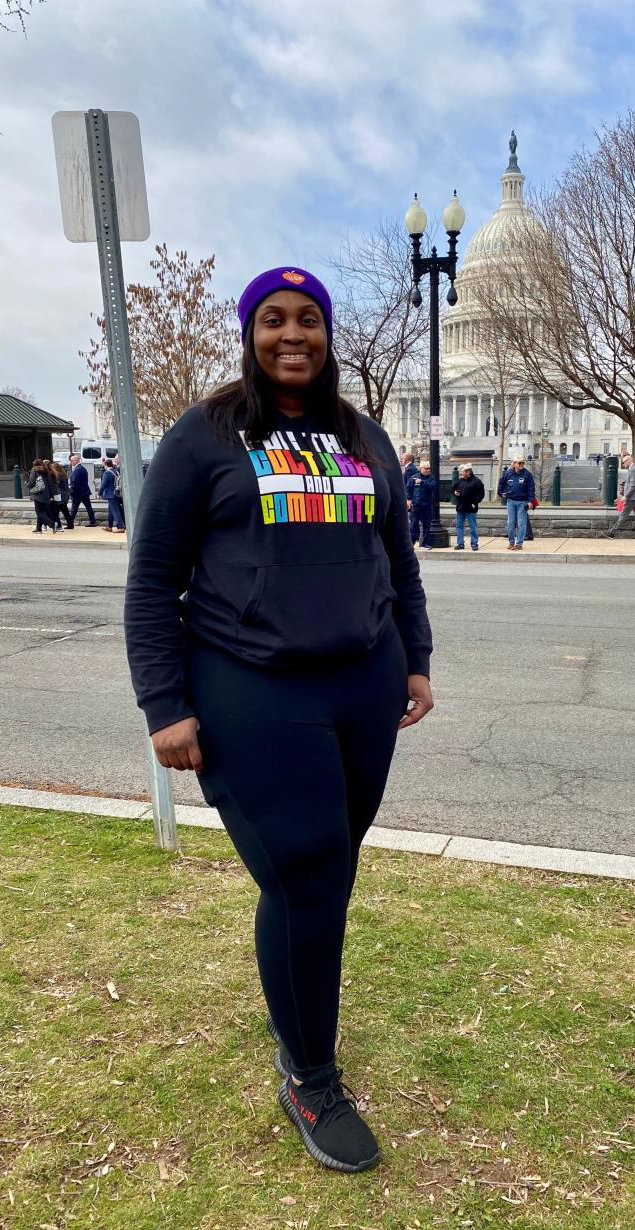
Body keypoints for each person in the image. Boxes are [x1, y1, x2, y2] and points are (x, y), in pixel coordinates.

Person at [124, 265, 434, 1175]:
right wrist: (165, 706)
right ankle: (309, 1075)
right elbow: (151, 583)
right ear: (249, 333)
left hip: (362, 687)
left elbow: (397, 558)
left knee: (327, 874)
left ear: (328, 335)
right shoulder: (206, 437)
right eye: (272, 320)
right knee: (305, 874)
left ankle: (292, 1003)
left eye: (308, 319)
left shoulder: (361, 434)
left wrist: (415, 658)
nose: (291, 335)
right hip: (250, 687)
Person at [604, 453, 635, 538]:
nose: (623, 464)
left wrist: (625, 496)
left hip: (631, 498)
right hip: (634, 497)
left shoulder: (633, 470)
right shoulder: (633, 469)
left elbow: (632, 485)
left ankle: (611, 532)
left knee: (623, 516)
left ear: (629, 460)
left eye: (624, 462)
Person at [497, 455, 535, 549]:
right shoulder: (508, 473)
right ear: (514, 464)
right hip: (511, 501)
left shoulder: (527, 474)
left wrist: (530, 501)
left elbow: (531, 489)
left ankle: (519, 544)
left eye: (523, 463)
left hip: (522, 502)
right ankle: (511, 542)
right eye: (519, 463)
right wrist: (501, 493)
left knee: (521, 523)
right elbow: (501, 482)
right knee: (510, 523)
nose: (521, 464)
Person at [452, 463, 484, 550]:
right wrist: (455, 493)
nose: (462, 474)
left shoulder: (477, 481)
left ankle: (474, 544)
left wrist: (475, 503)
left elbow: (481, 494)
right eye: (461, 472)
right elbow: (453, 489)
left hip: (471, 508)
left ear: (468, 472)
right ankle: (460, 544)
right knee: (459, 526)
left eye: (463, 472)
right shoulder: (460, 481)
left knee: (473, 527)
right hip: (460, 507)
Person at [406, 460, 437, 548]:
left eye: (429, 469)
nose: (428, 470)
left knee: (426, 525)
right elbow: (408, 488)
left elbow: (432, 487)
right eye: (426, 468)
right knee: (413, 525)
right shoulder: (414, 477)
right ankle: (411, 542)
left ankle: (425, 543)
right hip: (416, 505)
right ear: (421, 468)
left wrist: (422, 482)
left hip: (426, 505)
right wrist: (408, 499)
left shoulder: (431, 478)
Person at [27, 459, 57, 533]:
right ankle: (38, 528)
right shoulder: (46, 471)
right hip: (46, 495)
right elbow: (50, 484)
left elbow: (31, 481)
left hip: (38, 495)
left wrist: (27, 485)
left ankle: (51, 524)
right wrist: (52, 495)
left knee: (39, 512)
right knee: (41, 511)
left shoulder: (34, 470)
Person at [68, 454, 98, 527]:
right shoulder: (81, 468)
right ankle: (92, 521)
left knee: (74, 507)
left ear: (76, 460)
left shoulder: (78, 469)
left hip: (78, 492)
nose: (70, 462)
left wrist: (71, 491)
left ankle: (70, 522)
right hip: (83, 491)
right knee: (88, 507)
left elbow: (75, 481)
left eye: (71, 460)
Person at [99, 459, 125, 532]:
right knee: (111, 511)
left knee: (115, 511)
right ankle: (110, 526)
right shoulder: (116, 471)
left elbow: (103, 484)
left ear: (106, 465)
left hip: (110, 495)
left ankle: (120, 527)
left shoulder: (107, 473)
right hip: (116, 493)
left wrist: (99, 493)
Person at [50, 461, 74, 530]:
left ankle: (58, 525)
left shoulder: (58, 475)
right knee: (64, 510)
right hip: (65, 495)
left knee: (56, 511)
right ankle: (70, 524)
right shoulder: (63, 474)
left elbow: (55, 485)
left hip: (59, 495)